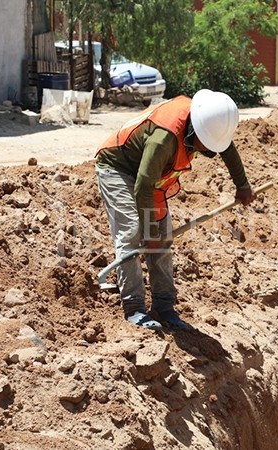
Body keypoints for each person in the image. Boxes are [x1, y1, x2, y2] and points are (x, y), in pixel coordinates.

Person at [96, 90, 256, 330]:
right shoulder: (165, 137)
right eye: (205, 144)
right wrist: (149, 233)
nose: (208, 151)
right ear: (195, 128)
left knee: (163, 236)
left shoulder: (210, 120)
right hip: (118, 167)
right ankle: (134, 307)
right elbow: (143, 187)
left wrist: (242, 185)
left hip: (149, 173)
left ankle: (163, 305)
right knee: (131, 232)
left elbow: (227, 149)